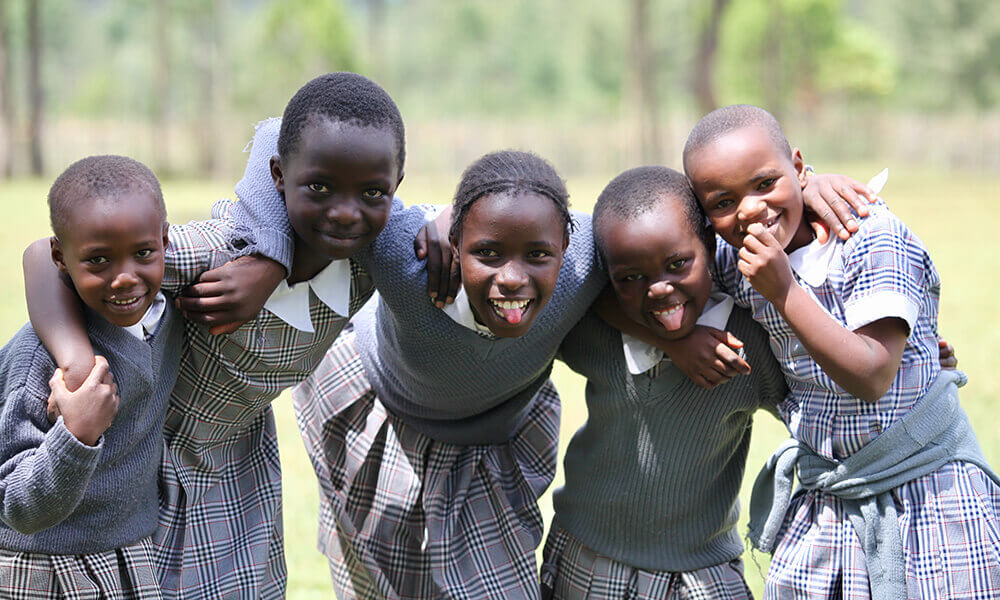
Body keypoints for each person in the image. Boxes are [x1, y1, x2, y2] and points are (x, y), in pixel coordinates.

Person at [21, 72, 406, 599]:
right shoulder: (218, 253)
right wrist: (78, 362)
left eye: (369, 193)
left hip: (237, 460)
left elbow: (463, 227)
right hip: (142, 457)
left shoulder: (374, 254)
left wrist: (436, 226)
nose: (343, 212)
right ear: (279, 177)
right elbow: (45, 256)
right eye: (319, 188)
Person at [683, 104, 1000, 599]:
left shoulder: (869, 235)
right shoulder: (735, 258)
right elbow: (641, 269)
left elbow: (872, 376)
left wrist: (783, 290)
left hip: (929, 495)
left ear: (800, 166)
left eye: (766, 184)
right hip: (828, 501)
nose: (748, 210)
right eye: (723, 202)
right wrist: (676, 342)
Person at [541, 165, 788, 600]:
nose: (657, 289)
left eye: (678, 264)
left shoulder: (750, 342)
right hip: (587, 559)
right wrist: (673, 341)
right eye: (631, 278)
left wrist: (913, 359)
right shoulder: (591, 329)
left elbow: (826, 399)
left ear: (710, 246)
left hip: (703, 573)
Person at [0, 155, 183, 598]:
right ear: (61, 258)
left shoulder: (172, 314)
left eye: (143, 253)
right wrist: (77, 434)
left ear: (164, 240)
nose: (124, 278)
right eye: (98, 261)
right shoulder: (39, 361)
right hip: (42, 570)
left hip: (128, 555)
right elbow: (15, 504)